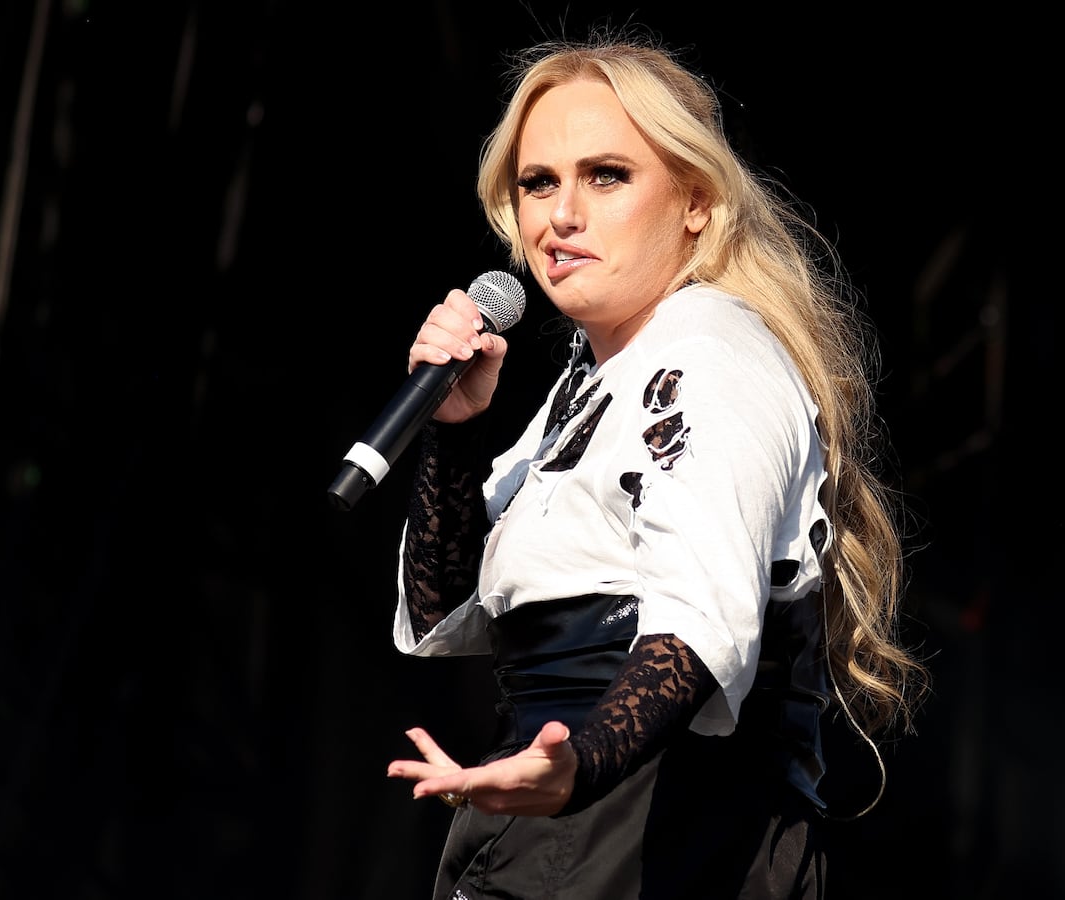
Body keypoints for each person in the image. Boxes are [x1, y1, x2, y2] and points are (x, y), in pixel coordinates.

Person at [382, 29, 928, 900]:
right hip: (562, 819)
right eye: (537, 182)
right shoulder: (591, 381)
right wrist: (451, 430)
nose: (561, 215)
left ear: (697, 202)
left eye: (606, 176)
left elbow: (702, 620)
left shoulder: (711, 353)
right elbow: (449, 612)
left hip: (659, 835)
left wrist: (580, 766)